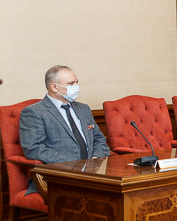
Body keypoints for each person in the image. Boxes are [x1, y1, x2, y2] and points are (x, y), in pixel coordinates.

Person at [19, 65, 111, 194]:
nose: (76, 87)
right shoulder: (34, 112)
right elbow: (33, 149)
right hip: (58, 177)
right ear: (54, 87)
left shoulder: (83, 109)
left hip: (92, 175)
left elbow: (99, 139)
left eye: (77, 82)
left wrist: (95, 159)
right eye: (71, 83)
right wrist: (74, 164)